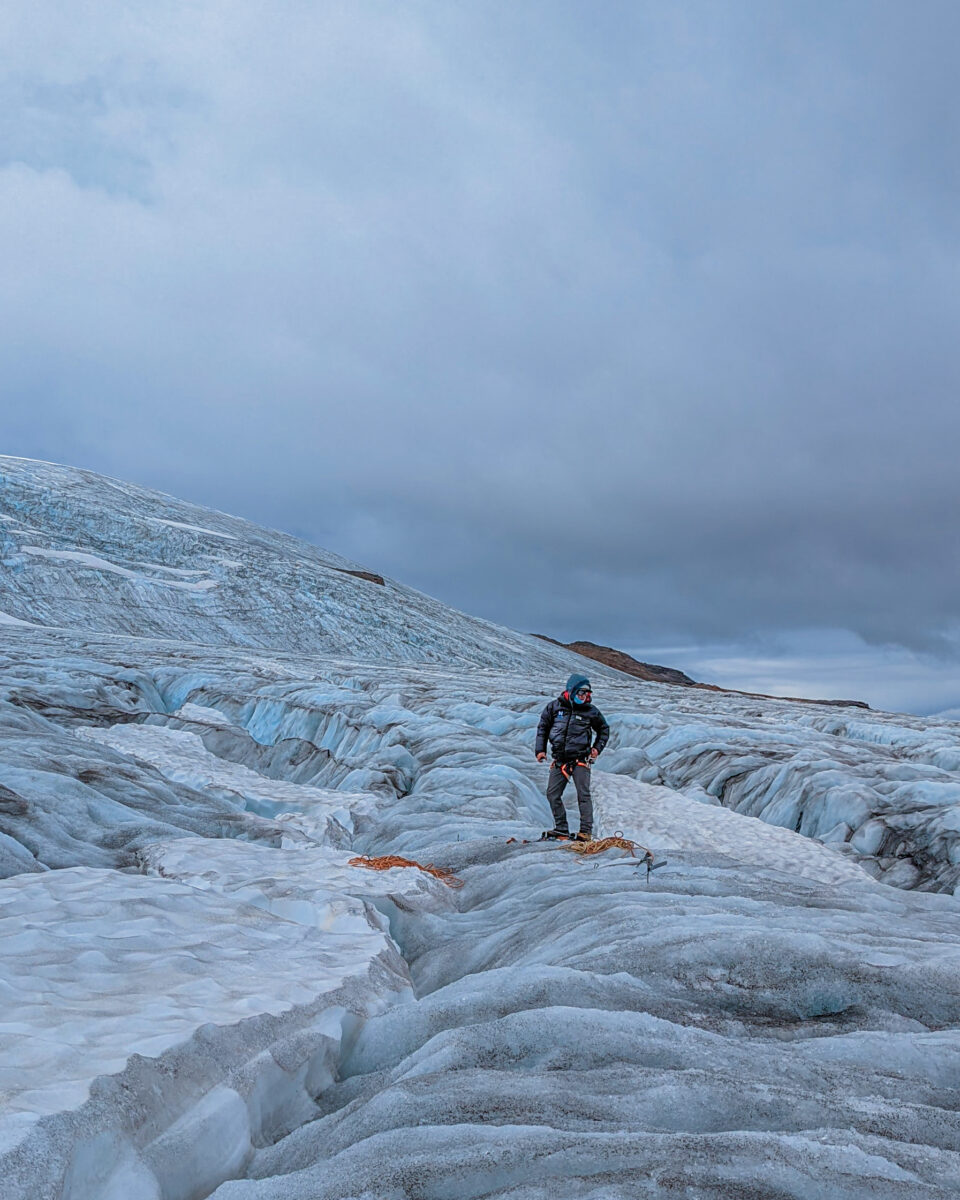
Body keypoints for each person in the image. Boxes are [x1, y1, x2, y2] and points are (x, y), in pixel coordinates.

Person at [535, 673, 609, 841]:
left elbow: (604, 730)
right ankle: (561, 829)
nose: (584, 697)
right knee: (552, 794)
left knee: (583, 795)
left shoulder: (591, 711)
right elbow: (543, 728)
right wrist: (540, 750)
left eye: (587, 694)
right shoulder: (554, 707)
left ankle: (585, 833)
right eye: (581, 693)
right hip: (560, 760)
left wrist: (597, 748)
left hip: (580, 759)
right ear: (572, 690)